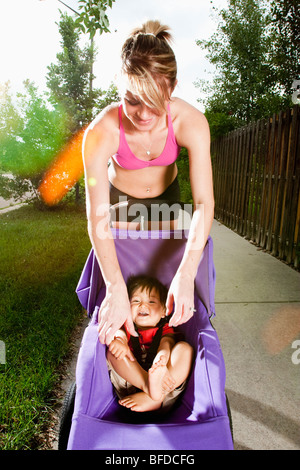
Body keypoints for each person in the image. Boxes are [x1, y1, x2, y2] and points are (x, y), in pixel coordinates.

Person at [83, 20, 214, 345]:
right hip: (120, 203)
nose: (142, 114)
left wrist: (186, 274)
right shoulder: (101, 132)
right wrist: (114, 286)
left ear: (172, 87)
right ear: (118, 85)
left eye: (154, 101)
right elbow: (97, 216)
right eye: (131, 100)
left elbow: (203, 204)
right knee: (122, 283)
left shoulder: (192, 122)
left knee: (169, 277)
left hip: (167, 199)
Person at [106, 275, 194, 412]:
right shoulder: (125, 326)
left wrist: (161, 361)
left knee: (185, 349)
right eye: (135, 301)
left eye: (151, 302)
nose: (142, 305)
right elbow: (120, 333)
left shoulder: (165, 329)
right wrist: (120, 341)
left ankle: (155, 396)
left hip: (165, 388)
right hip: (130, 385)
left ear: (164, 311)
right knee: (114, 350)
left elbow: (166, 345)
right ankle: (148, 386)